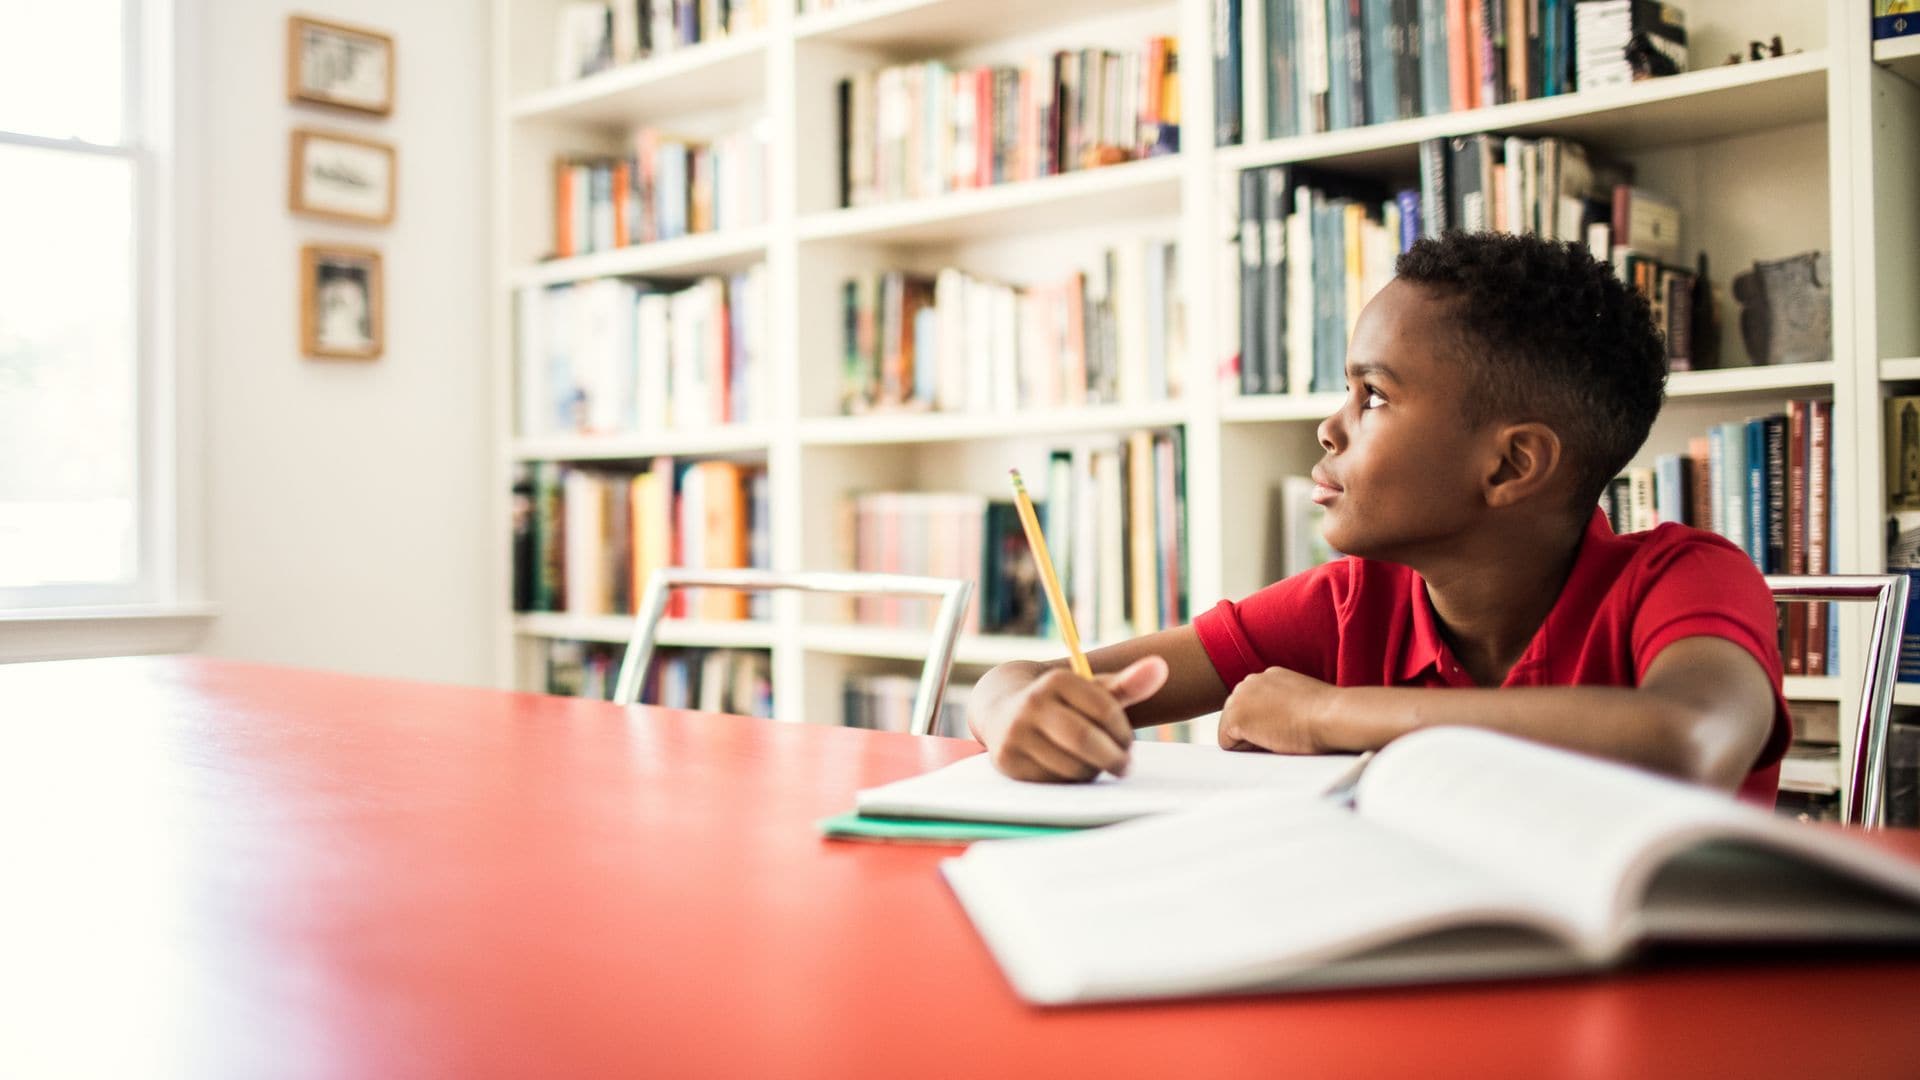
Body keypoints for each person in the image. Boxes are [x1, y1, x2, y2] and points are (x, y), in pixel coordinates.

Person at [968, 231, 1789, 805]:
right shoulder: (1351, 603)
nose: (1330, 427)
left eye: (1375, 396)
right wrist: (1017, 712)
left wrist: (1323, 714)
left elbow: (1687, 742)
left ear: (1509, 465)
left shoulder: (1684, 577)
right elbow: (1021, 684)